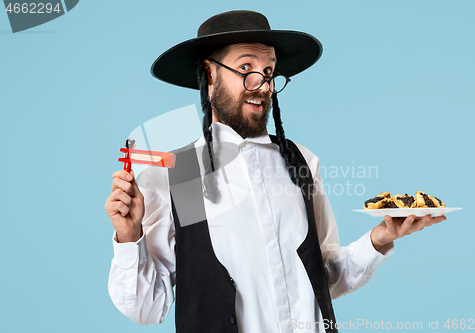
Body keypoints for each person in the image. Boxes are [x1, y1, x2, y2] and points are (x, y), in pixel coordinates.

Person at [105, 10, 446, 333]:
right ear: (209, 74)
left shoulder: (300, 162)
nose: (263, 86)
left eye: (269, 71)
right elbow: (147, 309)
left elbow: (321, 276)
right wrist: (129, 236)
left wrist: (380, 239)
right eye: (246, 68)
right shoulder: (185, 175)